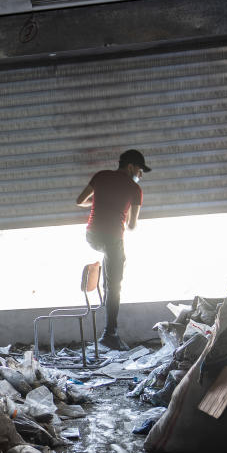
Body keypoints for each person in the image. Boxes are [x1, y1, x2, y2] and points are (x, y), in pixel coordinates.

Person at [75, 149, 150, 351]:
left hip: (92, 236)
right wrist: (123, 210)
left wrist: (99, 201)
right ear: (130, 167)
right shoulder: (135, 189)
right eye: (140, 170)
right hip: (112, 238)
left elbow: (79, 200)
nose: (140, 175)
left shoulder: (101, 176)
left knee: (110, 261)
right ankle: (111, 334)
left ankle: (107, 285)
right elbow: (132, 225)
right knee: (115, 286)